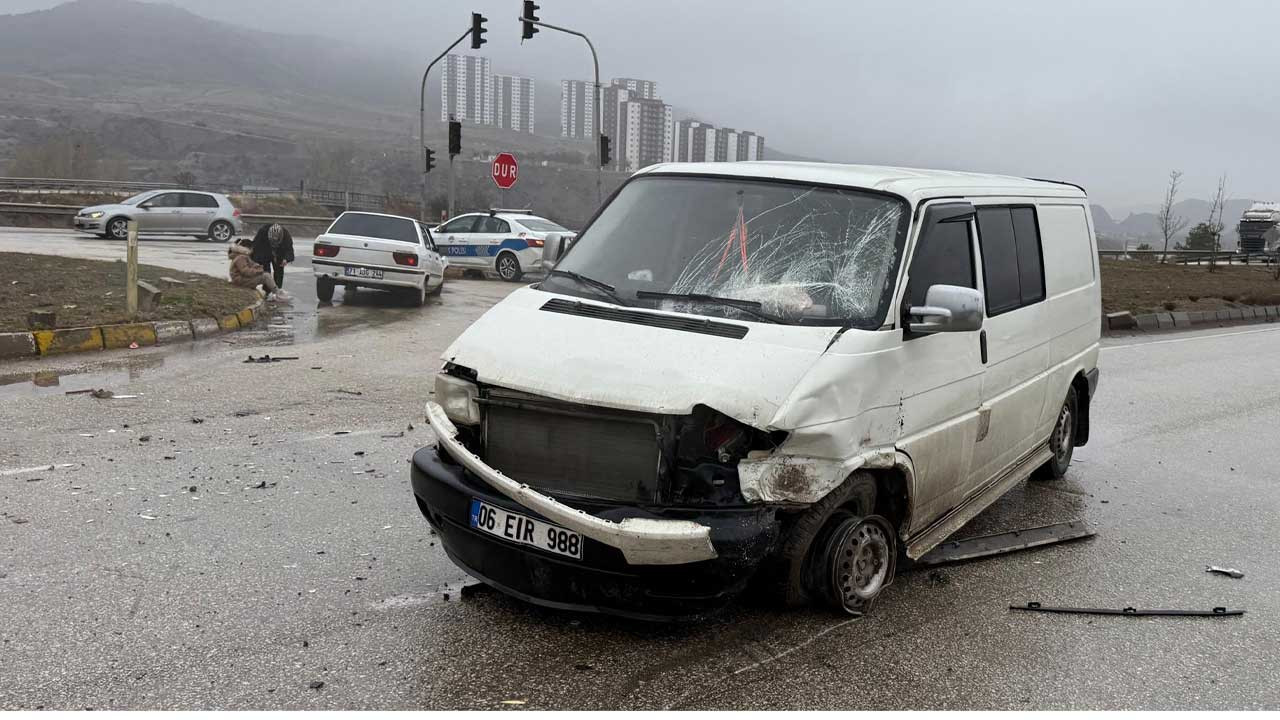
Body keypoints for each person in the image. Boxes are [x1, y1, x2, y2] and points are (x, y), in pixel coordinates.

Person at [229, 238, 291, 302]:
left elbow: (253, 265)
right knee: (266, 276)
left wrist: (258, 267)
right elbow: (245, 271)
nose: (252, 251)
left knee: (265, 275)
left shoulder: (242, 256)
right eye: (252, 249)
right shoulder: (241, 257)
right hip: (240, 280)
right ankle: (278, 294)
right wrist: (258, 271)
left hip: (241, 279)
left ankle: (277, 291)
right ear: (247, 248)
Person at [251, 223, 295, 290]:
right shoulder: (263, 232)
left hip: (279, 252)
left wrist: (286, 259)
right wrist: (256, 262)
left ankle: (278, 290)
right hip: (265, 251)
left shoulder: (286, 235)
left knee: (279, 270)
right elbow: (255, 247)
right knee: (266, 271)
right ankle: (267, 290)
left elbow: (289, 250)